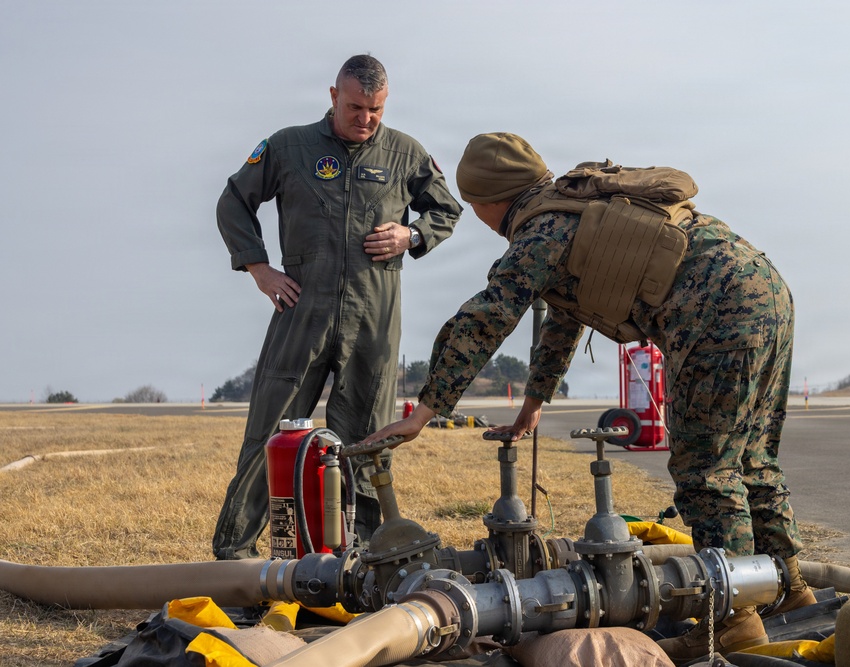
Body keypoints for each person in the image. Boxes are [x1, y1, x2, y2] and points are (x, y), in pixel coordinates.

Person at [361, 132, 815, 658]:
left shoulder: (539, 233)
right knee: (752, 459)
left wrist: (423, 413)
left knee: (706, 470)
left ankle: (735, 616)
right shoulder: (573, 210)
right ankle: (789, 586)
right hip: (766, 290)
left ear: (488, 202)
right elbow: (566, 319)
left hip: (718, 313)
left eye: (475, 207)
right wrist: (532, 406)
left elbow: (484, 320)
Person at [212, 55, 462, 560]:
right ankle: (235, 557)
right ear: (332, 96)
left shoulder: (404, 153)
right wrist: (258, 268)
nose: (365, 119)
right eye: (355, 107)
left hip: (374, 316)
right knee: (272, 432)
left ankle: (363, 560)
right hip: (302, 310)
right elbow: (233, 201)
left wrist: (411, 233)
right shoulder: (288, 146)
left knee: (367, 439)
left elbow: (447, 209)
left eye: (375, 109)